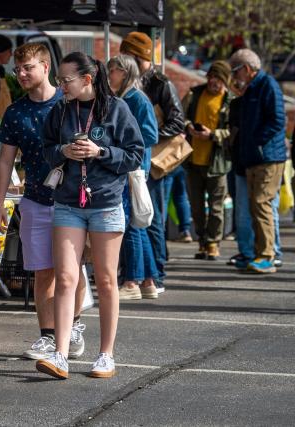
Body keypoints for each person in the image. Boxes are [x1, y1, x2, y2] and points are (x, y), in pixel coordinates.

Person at [39, 52, 144, 379]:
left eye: (65, 80)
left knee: (108, 280)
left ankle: (106, 355)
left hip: (106, 205)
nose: (61, 86)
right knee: (66, 277)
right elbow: (45, 150)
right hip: (69, 203)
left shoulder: (117, 109)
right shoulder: (60, 110)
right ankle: (60, 354)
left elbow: (135, 154)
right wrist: (63, 152)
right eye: (58, 80)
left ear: (87, 79)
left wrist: (101, 152)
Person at [0, 43, 87, 361]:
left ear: (46, 67)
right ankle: (48, 336)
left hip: (74, 200)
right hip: (35, 199)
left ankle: (72, 326)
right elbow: (5, 162)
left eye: (28, 67)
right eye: (17, 69)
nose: (20, 74)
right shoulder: (16, 112)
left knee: (73, 270)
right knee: (43, 271)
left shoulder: (71, 102)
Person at [120, 31, 185, 293]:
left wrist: (152, 135)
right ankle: (146, 276)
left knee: (151, 218)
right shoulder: (130, 83)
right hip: (141, 159)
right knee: (142, 219)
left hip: (157, 161)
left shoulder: (160, 83)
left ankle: (156, 276)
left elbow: (178, 121)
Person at [106, 54, 159, 301]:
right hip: (130, 168)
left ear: (125, 72)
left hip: (133, 169)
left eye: (112, 70)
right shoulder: (125, 98)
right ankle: (148, 280)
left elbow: (150, 134)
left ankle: (132, 281)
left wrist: (125, 142)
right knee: (136, 224)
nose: (109, 75)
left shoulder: (136, 99)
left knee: (130, 225)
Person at [228, 49, 286, 273]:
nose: (234, 76)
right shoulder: (253, 87)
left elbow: (277, 120)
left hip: (267, 157)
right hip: (255, 158)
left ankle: (267, 256)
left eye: (236, 71)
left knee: (262, 205)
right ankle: (259, 253)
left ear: (246, 68)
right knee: (256, 206)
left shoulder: (267, 85)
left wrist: (257, 143)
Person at [182, 61, 232, 260]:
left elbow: (233, 130)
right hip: (193, 161)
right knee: (196, 206)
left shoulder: (230, 100)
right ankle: (202, 241)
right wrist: (189, 128)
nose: (214, 82)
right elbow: (180, 116)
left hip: (217, 163)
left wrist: (213, 135)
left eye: (219, 79)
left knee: (216, 207)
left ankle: (213, 242)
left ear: (225, 81)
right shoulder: (195, 94)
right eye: (212, 77)